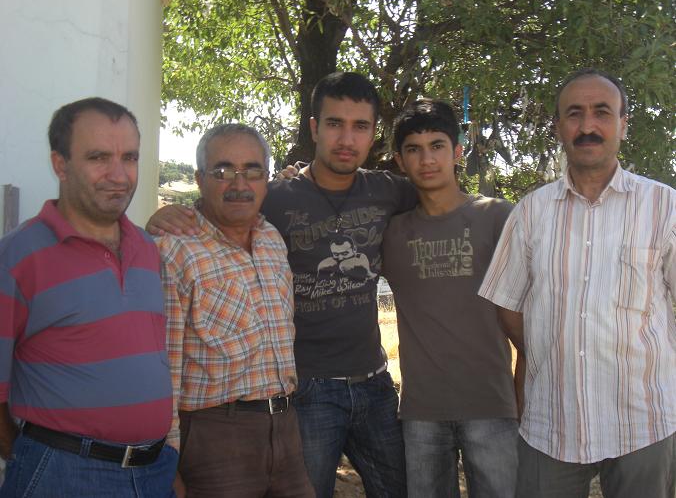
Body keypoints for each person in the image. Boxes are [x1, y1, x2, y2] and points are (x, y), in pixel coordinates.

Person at [147, 72, 417, 497]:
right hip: (304, 392)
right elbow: (217, 207)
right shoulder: (274, 198)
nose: (347, 138)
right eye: (334, 123)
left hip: (372, 383)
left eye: (360, 126)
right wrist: (162, 217)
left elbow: (440, 197)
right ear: (314, 128)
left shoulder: (389, 191)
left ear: (372, 134)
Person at [479, 68, 676, 498]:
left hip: (644, 421)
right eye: (574, 114)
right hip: (553, 422)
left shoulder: (665, 207)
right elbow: (507, 304)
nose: (588, 126)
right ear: (558, 127)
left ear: (623, 124)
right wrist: (549, 347)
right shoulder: (531, 212)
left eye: (602, 112)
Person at [0, 97, 176, 497]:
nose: (119, 175)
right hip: (64, 475)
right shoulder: (17, 258)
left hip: (153, 470)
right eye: (98, 157)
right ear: (60, 164)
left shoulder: (147, 249)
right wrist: (33, 458)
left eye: (129, 157)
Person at [155, 124, 314, 498]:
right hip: (215, 441)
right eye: (223, 171)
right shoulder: (174, 249)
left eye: (253, 171)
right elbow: (163, 370)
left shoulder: (271, 239)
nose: (239, 184)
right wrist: (166, 462)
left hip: (286, 430)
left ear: (267, 179)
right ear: (200, 179)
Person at [382, 98, 521, 498]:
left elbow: (532, 317)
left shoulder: (498, 217)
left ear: (458, 151)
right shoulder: (390, 233)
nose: (427, 159)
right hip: (421, 413)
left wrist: (524, 398)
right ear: (400, 160)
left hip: (493, 407)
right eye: (414, 149)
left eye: (437, 146)